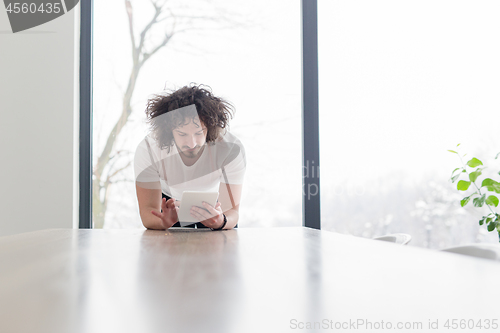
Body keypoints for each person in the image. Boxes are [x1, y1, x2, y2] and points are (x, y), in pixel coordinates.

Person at [134, 84, 246, 230]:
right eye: (182, 134)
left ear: (210, 127)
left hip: (212, 205)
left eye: (199, 133)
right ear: (169, 130)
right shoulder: (149, 149)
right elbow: (147, 212)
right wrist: (162, 222)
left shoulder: (231, 149)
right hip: (169, 204)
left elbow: (232, 213)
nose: (192, 143)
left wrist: (222, 222)